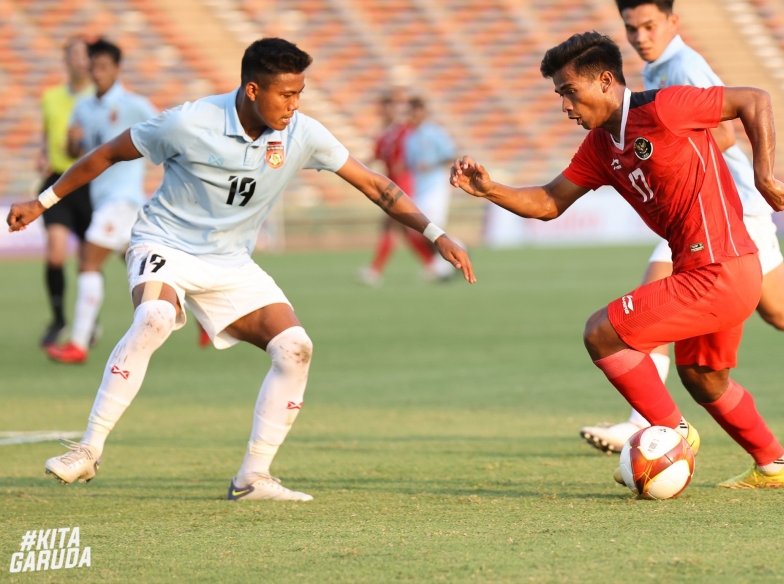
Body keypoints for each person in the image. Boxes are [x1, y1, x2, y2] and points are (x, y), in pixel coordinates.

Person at [7, 38, 474, 501]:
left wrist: (437, 235)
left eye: (300, 94)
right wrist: (43, 200)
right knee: (155, 318)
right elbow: (108, 153)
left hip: (230, 261)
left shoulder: (301, 133)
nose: (294, 106)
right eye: (286, 95)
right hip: (165, 243)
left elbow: (376, 186)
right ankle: (88, 449)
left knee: (295, 348)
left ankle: (253, 477)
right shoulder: (190, 122)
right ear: (253, 90)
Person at [451, 31, 784, 489]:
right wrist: (490, 190)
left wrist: (764, 175)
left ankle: (674, 436)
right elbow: (548, 202)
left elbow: (754, 100)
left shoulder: (664, 108)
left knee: (602, 333)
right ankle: (776, 465)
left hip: (721, 270)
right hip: (708, 270)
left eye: (568, 92)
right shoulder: (601, 147)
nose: (564, 106)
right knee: (703, 378)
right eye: (559, 95)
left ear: (604, 81)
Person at [580, 0, 784, 453]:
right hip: (721, 212)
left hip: (720, 211)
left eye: (649, 26)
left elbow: (726, 133)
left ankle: (643, 423)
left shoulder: (682, 68)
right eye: (632, 29)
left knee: (652, 299)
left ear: (673, 21)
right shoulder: (661, 70)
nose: (640, 37)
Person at [46, 38, 157, 365]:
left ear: (117, 70)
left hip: (122, 200)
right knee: (144, 268)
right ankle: (201, 314)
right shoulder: (83, 107)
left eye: (103, 67)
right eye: (93, 67)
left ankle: (78, 343)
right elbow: (74, 152)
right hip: (103, 199)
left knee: (88, 262)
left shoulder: (133, 105)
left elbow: (165, 130)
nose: (97, 73)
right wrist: (71, 143)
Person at [37, 37, 94, 348]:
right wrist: (43, 154)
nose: (80, 61)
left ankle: (88, 320)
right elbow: (47, 134)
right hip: (58, 181)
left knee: (89, 258)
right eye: (74, 55)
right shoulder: (51, 97)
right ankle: (58, 318)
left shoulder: (98, 97)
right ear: (66, 60)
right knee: (55, 252)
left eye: (85, 56)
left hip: (88, 180)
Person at [359, 91, 435, 285]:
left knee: (389, 226)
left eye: (388, 107)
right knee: (404, 231)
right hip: (389, 183)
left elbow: (414, 150)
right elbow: (377, 156)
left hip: (401, 184)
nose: (385, 111)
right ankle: (432, 265)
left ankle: (374, 271)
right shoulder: (384, 134)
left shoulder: (402, 131)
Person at [404, 96, 457, 279]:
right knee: (422, 230)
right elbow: (409, 164)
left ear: (423, 112)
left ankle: (443, 265)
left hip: (436, 187)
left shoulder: (434, 132)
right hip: (420, 189)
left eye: (416, 110)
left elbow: (450, 156)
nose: (413, 115)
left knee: (433, 227)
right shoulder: (410, 138)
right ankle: (455, 251)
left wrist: (432, 165)